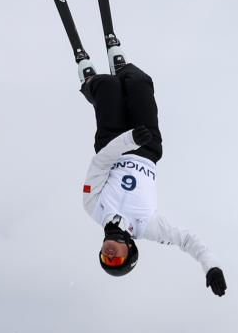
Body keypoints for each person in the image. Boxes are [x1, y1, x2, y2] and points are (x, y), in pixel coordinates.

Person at [80, 62, 227, 294]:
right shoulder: (148, 226)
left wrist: (128, 141)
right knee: (140, 82)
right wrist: (211, 266)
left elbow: (100, 163)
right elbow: (186, 240)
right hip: (148, 148)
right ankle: (122, 67)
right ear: (130, 251)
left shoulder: (93, 207)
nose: (109, 256)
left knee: (107, 87)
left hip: (112, 141)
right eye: (116, 260)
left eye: (105, 260)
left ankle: (90, 83)